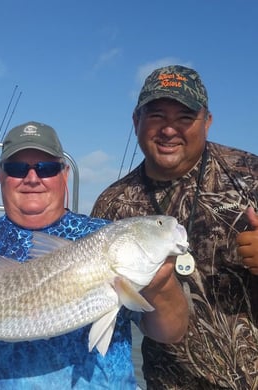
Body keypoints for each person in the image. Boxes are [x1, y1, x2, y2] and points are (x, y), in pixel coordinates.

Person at [0, 120, 188, 389]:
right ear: (1, 175)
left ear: (64, 174)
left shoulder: (101, 237)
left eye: (46, 168)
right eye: (18, 169)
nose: (32, 178)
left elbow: (171, 333)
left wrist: (161, 287)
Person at [91, 65, 258, 389]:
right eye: (156, 116)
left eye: (184, 117)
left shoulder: (250, 176)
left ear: (207, 122)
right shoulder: (112, 205)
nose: (169, 130)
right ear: (136, 121)